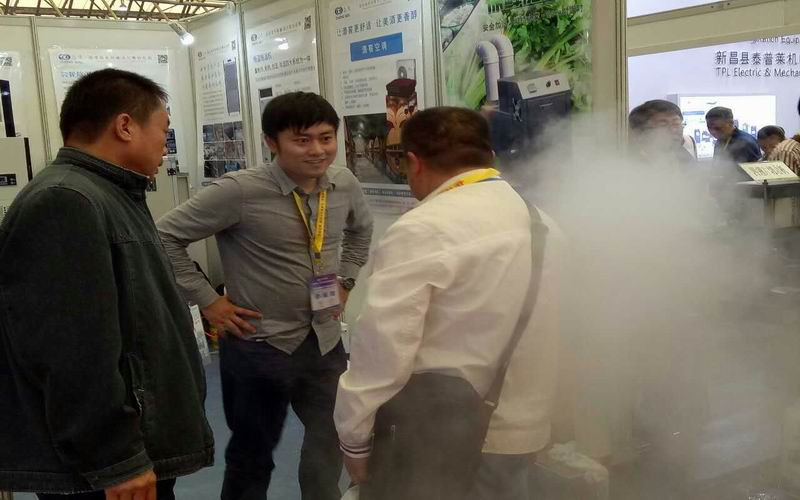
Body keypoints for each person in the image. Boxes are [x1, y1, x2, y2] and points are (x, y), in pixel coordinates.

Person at [0, 69, 214, 499]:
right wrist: (116, 458)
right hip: (100, 470)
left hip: (124, 450)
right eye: (163, 131)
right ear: (125, 126)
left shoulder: (108, 195)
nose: (165, 146)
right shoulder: (66, 201)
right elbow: (72, 350)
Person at [157, 91, 373, 500]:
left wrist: (346, 282)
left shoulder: (343, 183)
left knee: (332, 438)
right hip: (259, 345)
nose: (317, 150)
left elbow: (361, 231)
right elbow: (164, 237)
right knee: (252, 455)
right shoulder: (239, 191)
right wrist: (208, 301)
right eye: (302, 140)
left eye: (326, 138)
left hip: (324, 340)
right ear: (272, 142)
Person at [334, 107, 558, 500]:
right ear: (488, 155)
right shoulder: (543, 224)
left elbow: (383, 349)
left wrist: (354, 438)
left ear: (414, 162)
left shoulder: (424, 229)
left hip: (439, 440)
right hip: (523, 430)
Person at [628, 99, 696, 167]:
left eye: (676, 123)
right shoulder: (630, 163)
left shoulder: (683, 156)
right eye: (663, 125)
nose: (673, 130)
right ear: (641, 133)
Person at [706, 106, 761, 179]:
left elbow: (753, 176)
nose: (713, 132)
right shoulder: (720, 139)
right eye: (709, 127)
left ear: (730, 123)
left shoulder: (745, 143)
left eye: (717, 128)